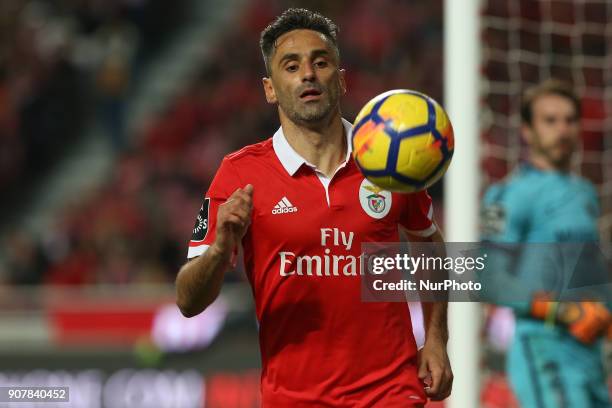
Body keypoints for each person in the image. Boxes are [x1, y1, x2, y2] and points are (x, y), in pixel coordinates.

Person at [176, 8, 452, 407]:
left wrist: (437, 338)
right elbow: (188, 301)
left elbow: (428, 244)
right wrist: (220, 250)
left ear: (339, 80)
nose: (308, 73)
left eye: (320, 62)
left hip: (391, 391)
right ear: (270, 89)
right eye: (291, 66)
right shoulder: (240, 174)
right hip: (293, 398)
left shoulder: (390, 160)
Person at [481, 79, 611, 408]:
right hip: (543, 346)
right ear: (527, 130)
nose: (562, 129)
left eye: (570, 120)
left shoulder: (585, 193)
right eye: (550, 120)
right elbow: (491, 279)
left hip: (590, 352)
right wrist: (567, 311)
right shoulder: (508, 194)